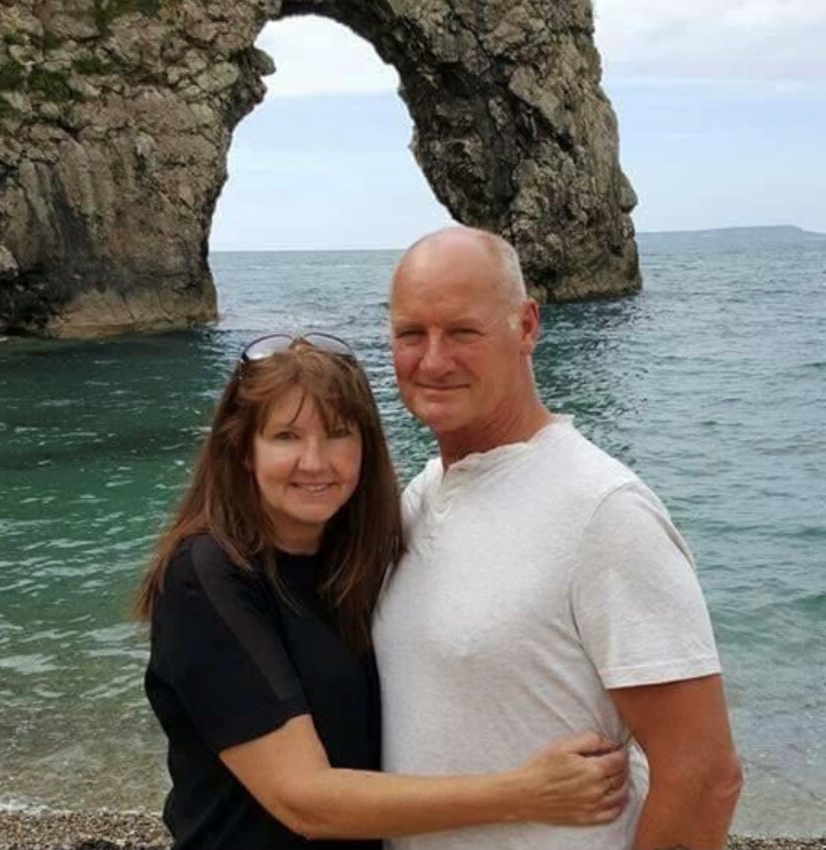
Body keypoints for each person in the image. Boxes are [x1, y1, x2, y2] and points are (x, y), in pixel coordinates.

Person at [135, 333, 629, 850]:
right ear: (241, 451)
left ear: (365, 447)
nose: (315, 461)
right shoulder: (206, 575)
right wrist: (525, 793)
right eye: (285, 437)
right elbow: (305, 800)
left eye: (337, 434)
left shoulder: (360, 557)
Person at [374, 227, 743, 850]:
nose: (432, 361)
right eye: (412, 334)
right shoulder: (422, 494)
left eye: (462, 331)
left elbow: (705, 776)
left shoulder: (603, 510)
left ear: (525, 326)